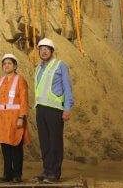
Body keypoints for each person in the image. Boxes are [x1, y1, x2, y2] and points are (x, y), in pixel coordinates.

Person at [33, 38, 74, 183]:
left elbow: (67, 87)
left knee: (54, 141)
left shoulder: (60, 65)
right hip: (41, 109)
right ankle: (47, 170)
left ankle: (54, 173)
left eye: (46, 49)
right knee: (44, 142)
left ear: (51, 51)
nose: (43, 51)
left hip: (55, 109)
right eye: (41, 49)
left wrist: (67, 107)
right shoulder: (38, 68)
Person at [0, 53, 30, 183]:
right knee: (5, 148)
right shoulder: (0, 80)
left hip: (15, 117)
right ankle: (7, 174)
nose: (6, 66)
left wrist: (21, 117)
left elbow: (24, 99)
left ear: (15, 66)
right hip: (2, 118)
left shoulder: (20, 79)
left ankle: (17, 174)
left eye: (9, 63)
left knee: (16, 146)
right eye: (4, 64)